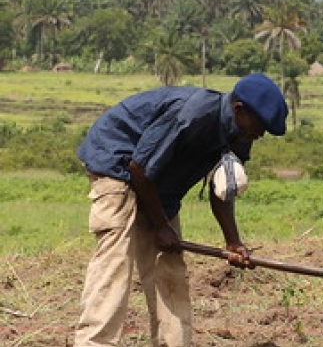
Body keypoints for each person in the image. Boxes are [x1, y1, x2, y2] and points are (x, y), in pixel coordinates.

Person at [74, 73, 288, 347]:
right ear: (239, 109)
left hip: (158, 182)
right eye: (260, 125)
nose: (260, 134)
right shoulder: (193, 116)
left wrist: (233, 242)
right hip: (118, 162)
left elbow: (221, 188)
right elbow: (139, 168)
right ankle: (95, 343)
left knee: (170, 267)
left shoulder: (240, 133)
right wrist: (161, 226)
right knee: (116, 261)